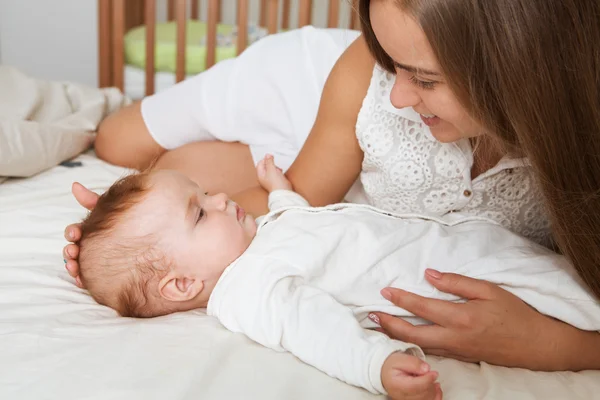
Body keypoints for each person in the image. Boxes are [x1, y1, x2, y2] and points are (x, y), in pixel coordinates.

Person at [65, 0, 600, 371]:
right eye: (393, 69)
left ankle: (197, 174)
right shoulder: (372, 77)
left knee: (188, 175)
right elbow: (293, 205)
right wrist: (135, 225)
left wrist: (549, 344)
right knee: (116, 142)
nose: (396, 96)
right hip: (306, 110)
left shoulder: (577, 123)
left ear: (519, 68)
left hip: (313, 147)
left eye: (426, 79)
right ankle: (191, 172)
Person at [76, 156, 599, 399]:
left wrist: (280, 193)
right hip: (468, 279)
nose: (219, 198)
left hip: (470, 244)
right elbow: (312, 327)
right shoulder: (247, 289)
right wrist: (376, 365)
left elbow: (303, 225)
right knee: (578, 298)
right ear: (183, 285)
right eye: (198, 212)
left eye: (203, 190)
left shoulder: (257, 240)